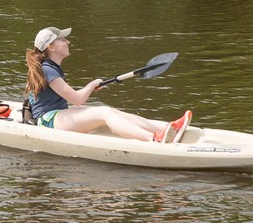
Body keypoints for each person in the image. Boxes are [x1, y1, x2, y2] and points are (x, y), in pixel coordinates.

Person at [25, 26, 192, 143]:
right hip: (47, 120)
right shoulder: (48, 69)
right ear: (51, 46)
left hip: (58, 113)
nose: (68, 42)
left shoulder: (50, 67)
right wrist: (91, 85)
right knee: (104, 113)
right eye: (62, 39)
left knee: (111, 111)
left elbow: (68, 97)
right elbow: (77, 99)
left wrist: (90, 88)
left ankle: (168, 127)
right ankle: (154, 138)